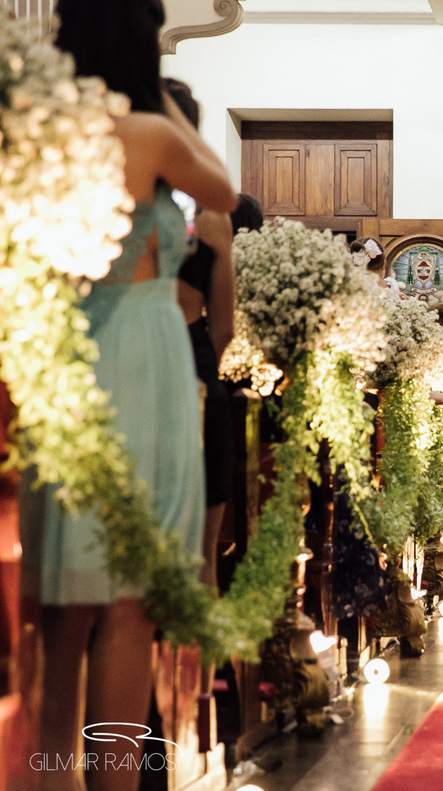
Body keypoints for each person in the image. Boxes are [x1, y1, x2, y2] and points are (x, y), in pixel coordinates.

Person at [34, 2, 238, 791]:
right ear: (137, 44)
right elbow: (220, 184)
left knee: (62, 599)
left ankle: (49, 783)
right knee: (127, 602)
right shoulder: (146, 132)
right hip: (139, 354)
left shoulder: (39, 134)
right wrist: (151, 89)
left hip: (65, 347)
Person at [163, 77, 239, 589]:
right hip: (190, 352)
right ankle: (195, 663)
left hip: (120, 349)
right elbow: (225, 326)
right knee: (202, 552)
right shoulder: (212, 214)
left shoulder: (114, 194)